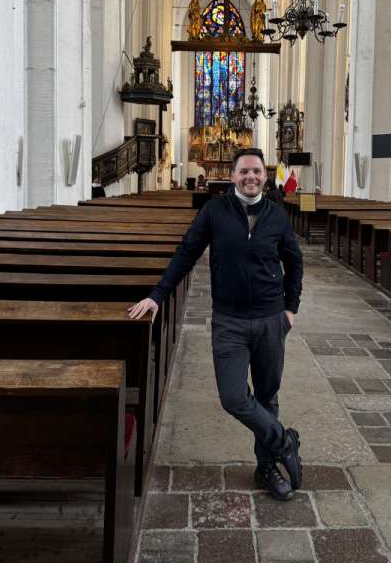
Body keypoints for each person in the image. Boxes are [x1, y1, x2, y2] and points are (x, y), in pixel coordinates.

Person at [128, 148, 304, 501]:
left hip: (271, 319)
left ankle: (266, 468)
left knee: (267, 396)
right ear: (233, 176)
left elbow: (294, 261)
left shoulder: (276, 214)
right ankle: (284, 440)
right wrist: (158, 295)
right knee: (234, 397)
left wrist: (290, 310)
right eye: (244, 172)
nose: (250, 177)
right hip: (230, 321)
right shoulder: (214, 211)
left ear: (265, 177)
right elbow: (186, 253)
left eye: (256, 171)